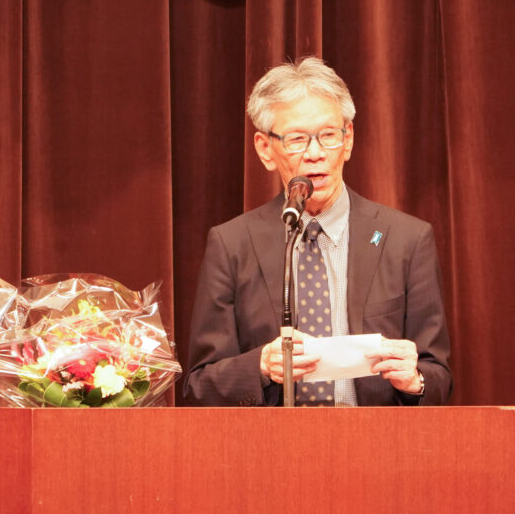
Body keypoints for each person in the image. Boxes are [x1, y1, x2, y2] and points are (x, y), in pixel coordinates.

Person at [181, 57, 451, 407]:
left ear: (348, 139)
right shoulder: (231, 245)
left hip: (376, 437)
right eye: (297, 139)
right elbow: (199, 385)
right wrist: (260, 366)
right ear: (265, 149)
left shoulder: (406, 240)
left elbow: (438, 376)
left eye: (328, 136)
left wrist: (415, 380)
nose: (315, 153)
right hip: (273, 440)